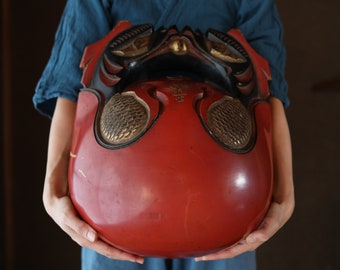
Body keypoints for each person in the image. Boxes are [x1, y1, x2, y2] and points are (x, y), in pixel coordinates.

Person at [33, 0, 295, 269]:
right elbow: (72, 86)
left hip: (226, 188)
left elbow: (267, 90)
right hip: (114, 190)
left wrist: (283, 193)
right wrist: (53, 188)